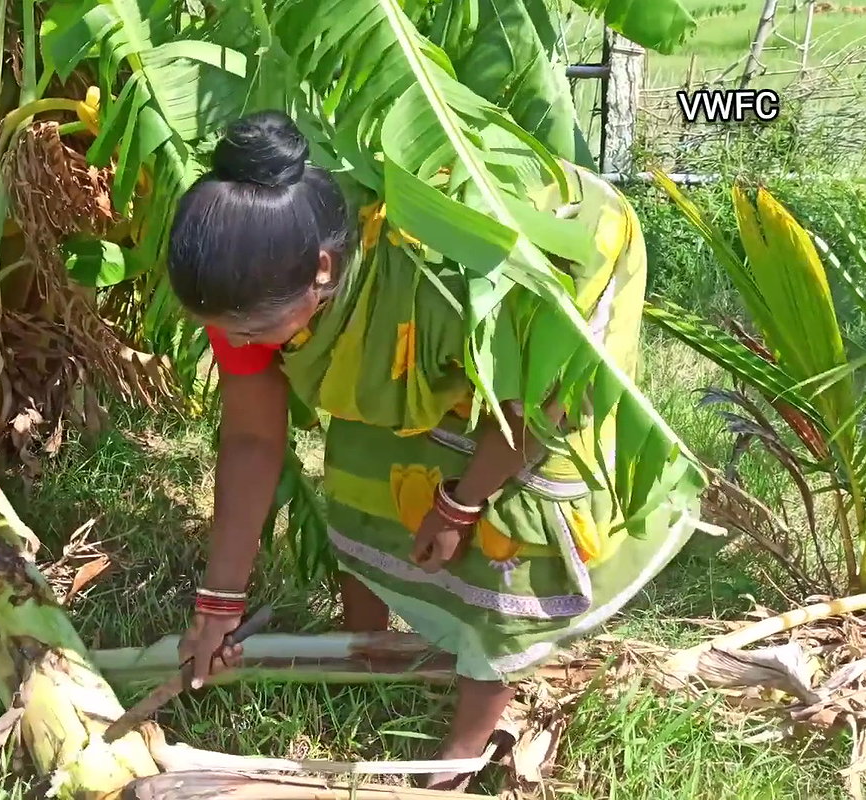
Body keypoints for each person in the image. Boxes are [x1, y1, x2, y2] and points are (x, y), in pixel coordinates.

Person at [167, 110, 701, 789]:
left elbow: (532, 407)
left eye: (253, 330)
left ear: (323, 272)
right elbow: (250, 438)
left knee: (511, 530)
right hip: (413, 336)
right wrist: (219, 600)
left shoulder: (436, 281)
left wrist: (459, 504)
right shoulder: (247, 295)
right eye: (223, 331)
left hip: (550, 282)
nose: (238, 346)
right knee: (367, 461)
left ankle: (462, 748)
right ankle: (368, 647)